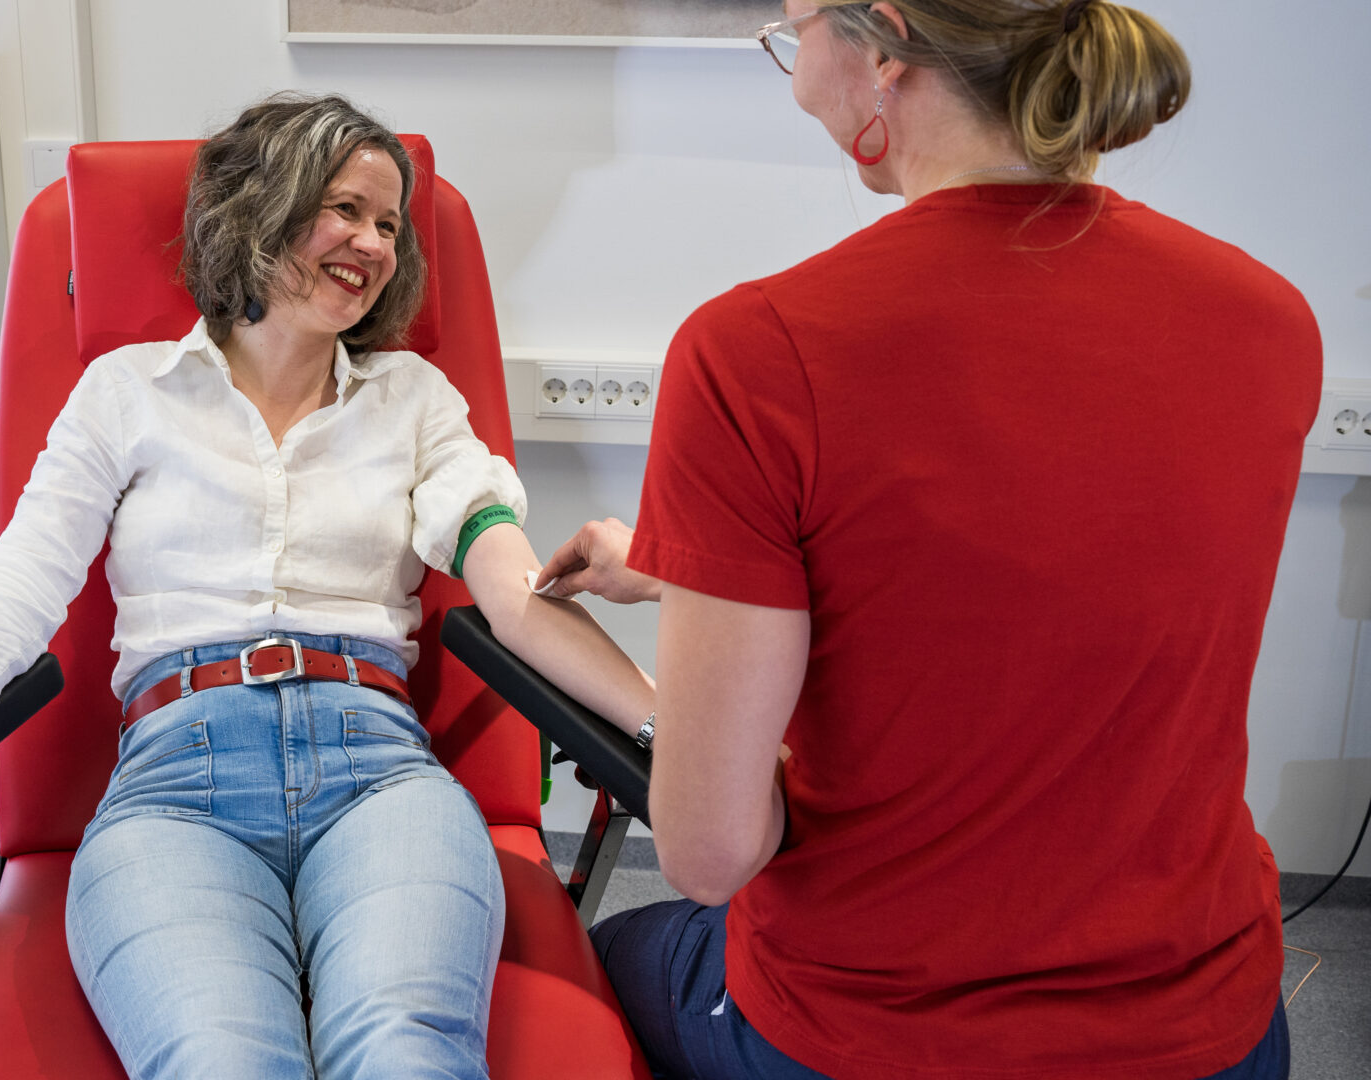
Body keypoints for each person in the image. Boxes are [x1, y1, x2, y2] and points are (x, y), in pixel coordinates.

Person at [0, 92, 654, 1080]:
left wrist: (676, 734)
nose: (373, 242)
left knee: (406, 1055)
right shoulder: (125, 391)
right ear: (260, 209)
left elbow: (516, 593)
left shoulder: (414, 402)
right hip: (176, 792)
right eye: (344, 208)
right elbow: (12, 590)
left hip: (381, 780)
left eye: (389, 225)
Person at [536, 1, 1316, 1077]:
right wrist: (685, 565)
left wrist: (700, 724)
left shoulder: (756, 355)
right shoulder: (1267, 321)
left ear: (882, 50)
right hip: (1204, 1026)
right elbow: (1022, 574)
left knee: (595, 957)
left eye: (793, 26)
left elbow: (714, 855)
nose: (792, 57)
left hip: (876, 1034)